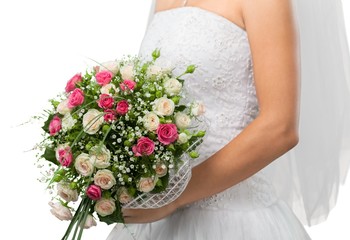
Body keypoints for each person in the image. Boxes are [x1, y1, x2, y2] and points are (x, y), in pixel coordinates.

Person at [107, 0, 350, 239]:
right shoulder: (165, 2)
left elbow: (280, 128)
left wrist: (174, 197)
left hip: (231, 216)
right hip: (155, 217)